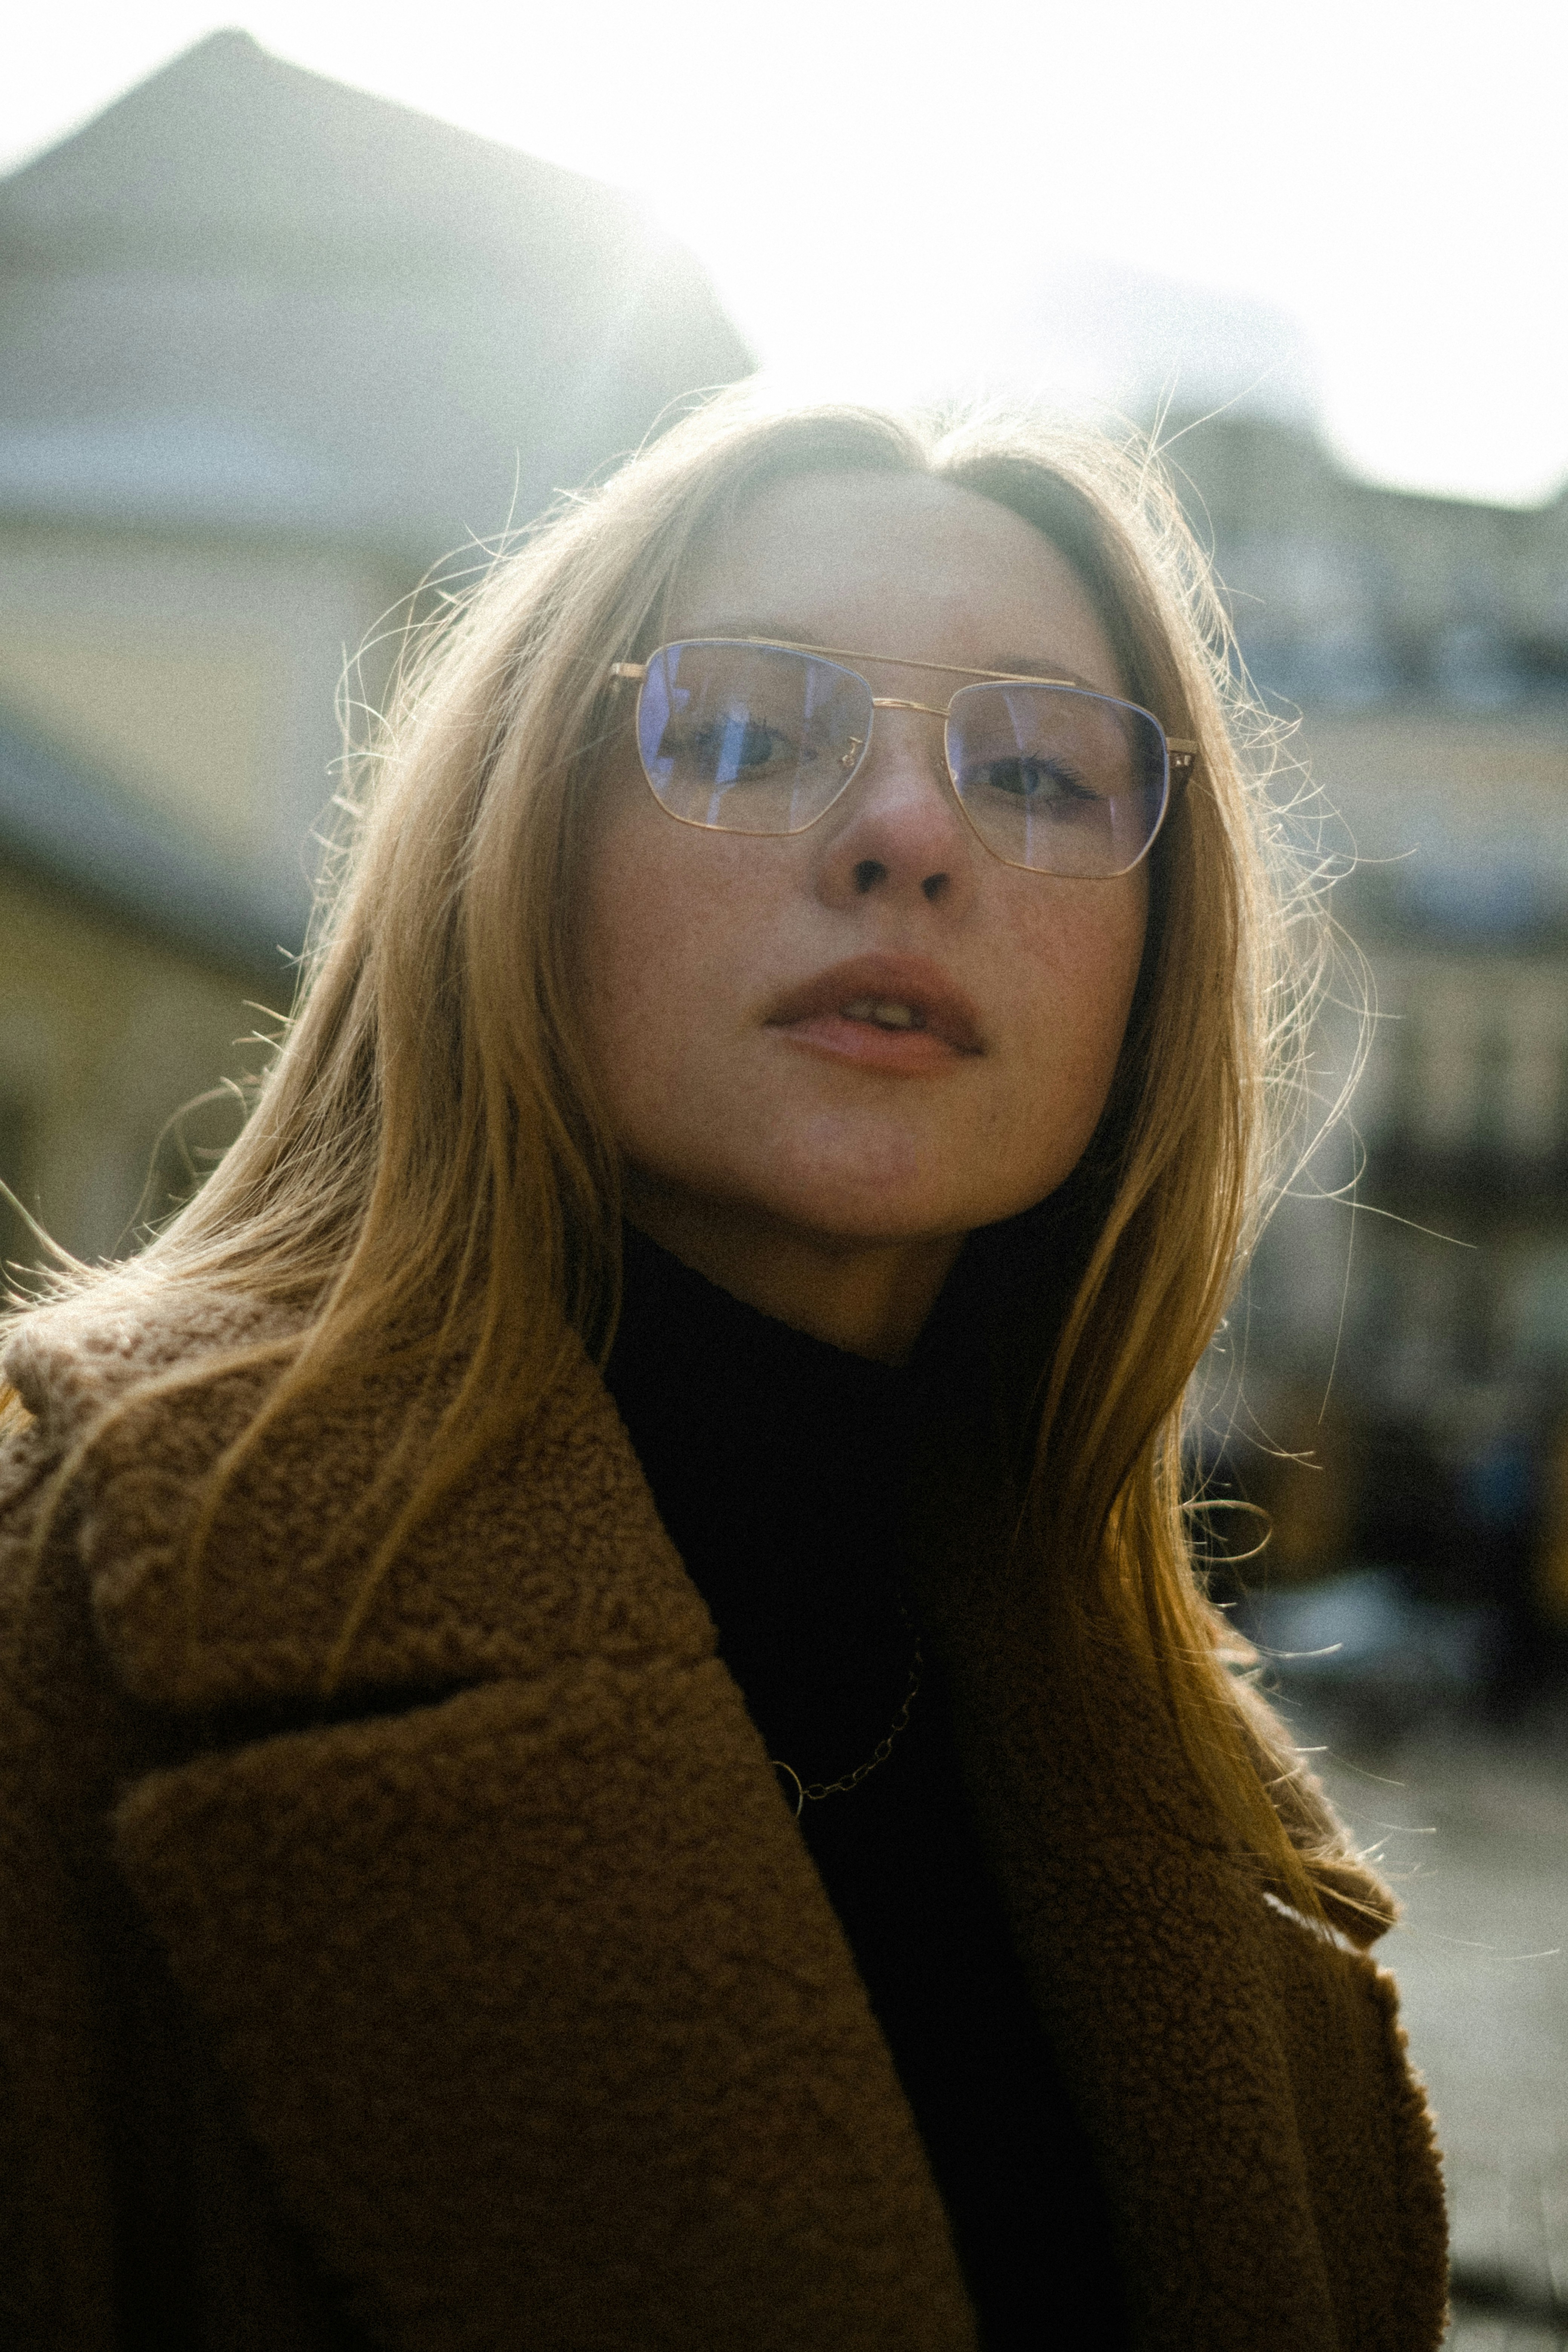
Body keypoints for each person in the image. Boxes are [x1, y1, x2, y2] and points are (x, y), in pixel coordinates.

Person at [0, 391, 1446, 2351]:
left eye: (1038, 773)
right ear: (520, 841)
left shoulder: (1204, 1832)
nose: (911, 836)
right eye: (751, 735)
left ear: (1156, 956)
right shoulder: (74, 1592)